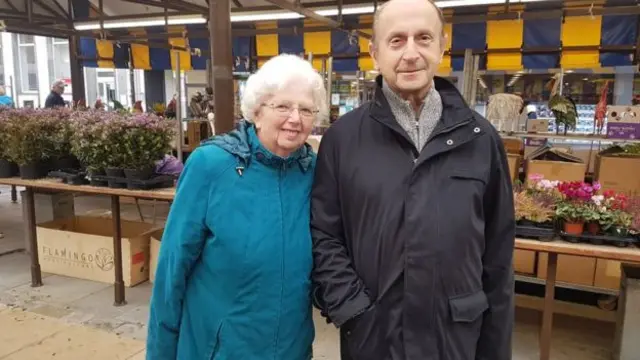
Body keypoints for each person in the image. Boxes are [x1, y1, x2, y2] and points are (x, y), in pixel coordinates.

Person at [310, 0, 515, 359]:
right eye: (396, 40)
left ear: (442, 45)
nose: (410, 53)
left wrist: (495, 347)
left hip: (456, 338)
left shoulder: (481, 140)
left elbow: (498, 257)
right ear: (374, 52)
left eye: (423, 38)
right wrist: (353, 309)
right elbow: (324, 234)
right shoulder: (342, 139)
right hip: (374, 338)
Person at [146, 53, 327, 360]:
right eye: (282, 106)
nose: (295, 118)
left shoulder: (316, 173)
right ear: (257, 111)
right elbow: (172, 271)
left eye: (306, 109)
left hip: (292, 350)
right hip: (220, 351)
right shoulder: (210, 166)